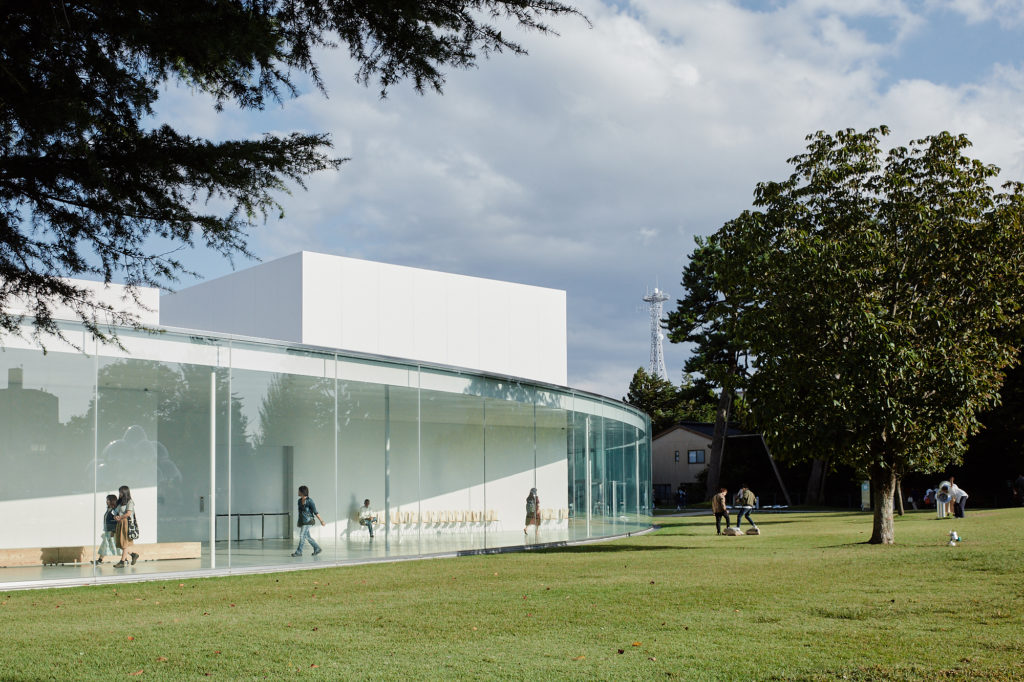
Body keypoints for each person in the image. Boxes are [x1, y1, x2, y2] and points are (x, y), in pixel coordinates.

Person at [291, 485, 325, 557]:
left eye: (299, 491)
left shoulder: (310, 501)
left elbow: (315, 512)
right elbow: (300, 513)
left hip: (309, 521)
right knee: (307, 537)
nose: (298, 492)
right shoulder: (299, 501)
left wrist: (321, 521)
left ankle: (299, 552)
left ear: (302, 492)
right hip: (303, 521)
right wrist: (299, 522)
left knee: (302, 535)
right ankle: (317, 548)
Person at [113, 485, 139, 568]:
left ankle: (122, 562)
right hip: (120, 523)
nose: (119, 494)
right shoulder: (120, 502)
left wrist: (120, 517)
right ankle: (133, 554)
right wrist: (115, 517)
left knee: (124, 543)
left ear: (125, 493)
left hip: (126, 523)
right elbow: (116, 512)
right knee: (121, 543)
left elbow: (128, 513)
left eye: (121, 492)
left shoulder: (130, 502)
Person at [95, 494, 118, 564]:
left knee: (110, 545)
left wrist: (113, 531)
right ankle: (99, 560)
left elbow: (115, 521)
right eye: (106, 500)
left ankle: (129, 556)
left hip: (111, 531)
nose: (106, 501)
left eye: (108, 500)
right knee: (106, 545)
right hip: (107, 530)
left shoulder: (114, 510)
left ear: (112, 501)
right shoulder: (109, 509)